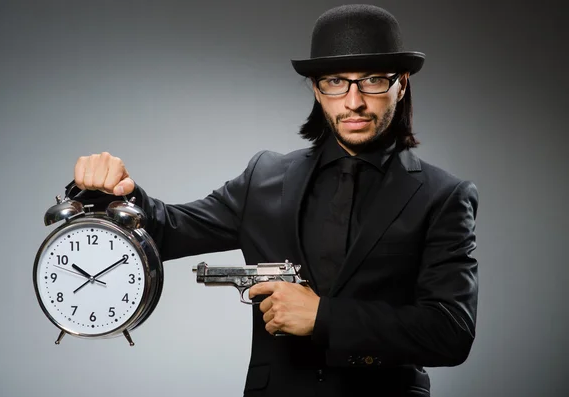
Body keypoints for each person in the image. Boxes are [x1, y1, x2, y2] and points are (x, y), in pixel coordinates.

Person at [69, 4, 478, 396]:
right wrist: (117, 192)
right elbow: (166, 231)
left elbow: (451, 333)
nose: (354, 101)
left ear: (401, 83)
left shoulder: (443, 196)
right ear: (318, 90)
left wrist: (323, 318)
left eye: (372, 79)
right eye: (336, 81)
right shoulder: (264, 177)